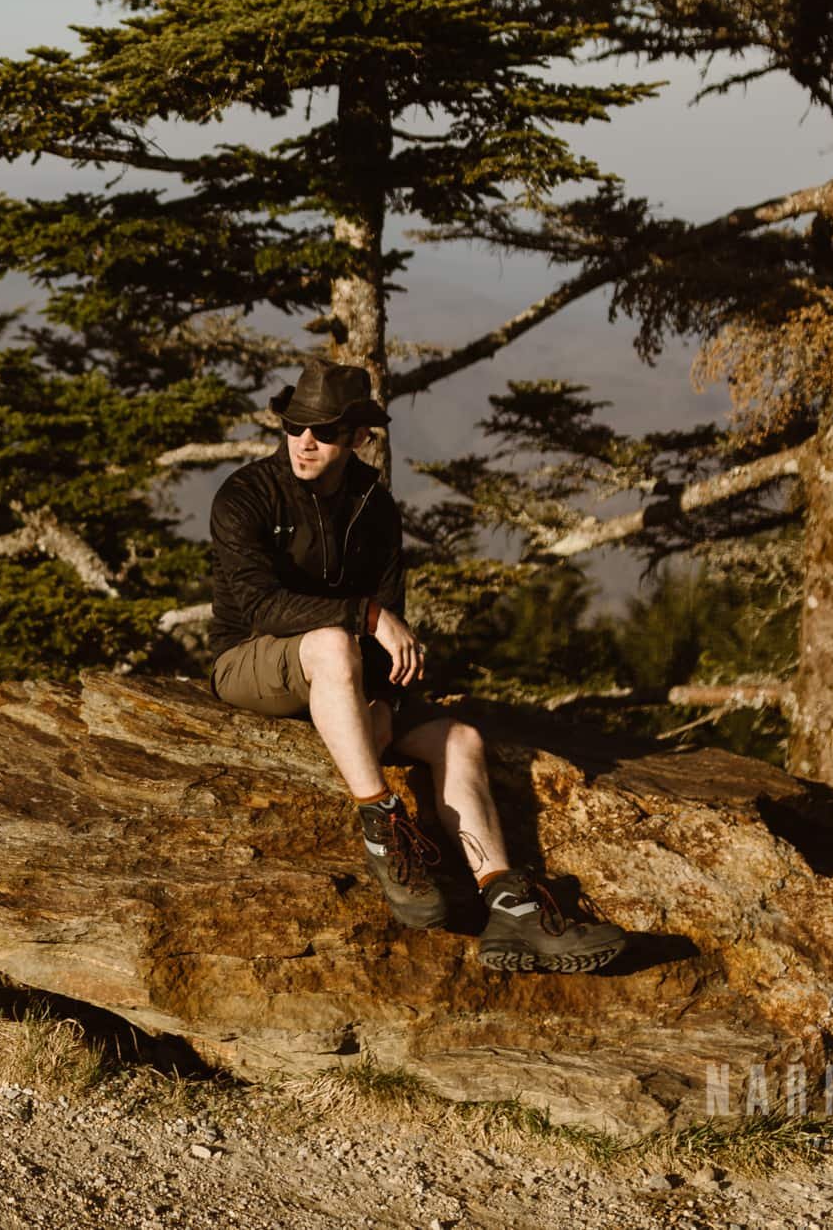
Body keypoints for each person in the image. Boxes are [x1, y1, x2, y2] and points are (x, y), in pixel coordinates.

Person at [207, 358, 625, 974]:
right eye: (294, 426)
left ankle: (505, 899)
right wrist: (367, 618)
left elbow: (389, 637)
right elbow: (262, 607)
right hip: (250, 661)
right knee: (332, 643)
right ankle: (381, 824)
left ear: (356, 437)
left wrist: (381, 705)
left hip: (342, 679)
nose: (303, 441)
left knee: (459, 737)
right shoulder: (247, 494)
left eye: (322, 431)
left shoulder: (375, 506)